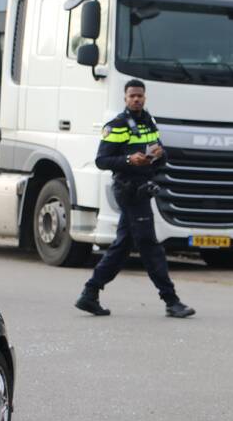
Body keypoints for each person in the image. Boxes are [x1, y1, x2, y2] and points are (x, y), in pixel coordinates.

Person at [75, 79, 195, 318]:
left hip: (143, 188)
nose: (136, 99)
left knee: (121, 247)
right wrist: (130, 161)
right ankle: (171, 301)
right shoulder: (117, 125)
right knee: (149, 245)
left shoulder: (149, 122)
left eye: (140, 96)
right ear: (125, 98)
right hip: (129, 190)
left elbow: (160, 155)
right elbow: (102, 160)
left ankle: (90, 294)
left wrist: (160, 155)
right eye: (132, 96)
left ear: (145, 97)